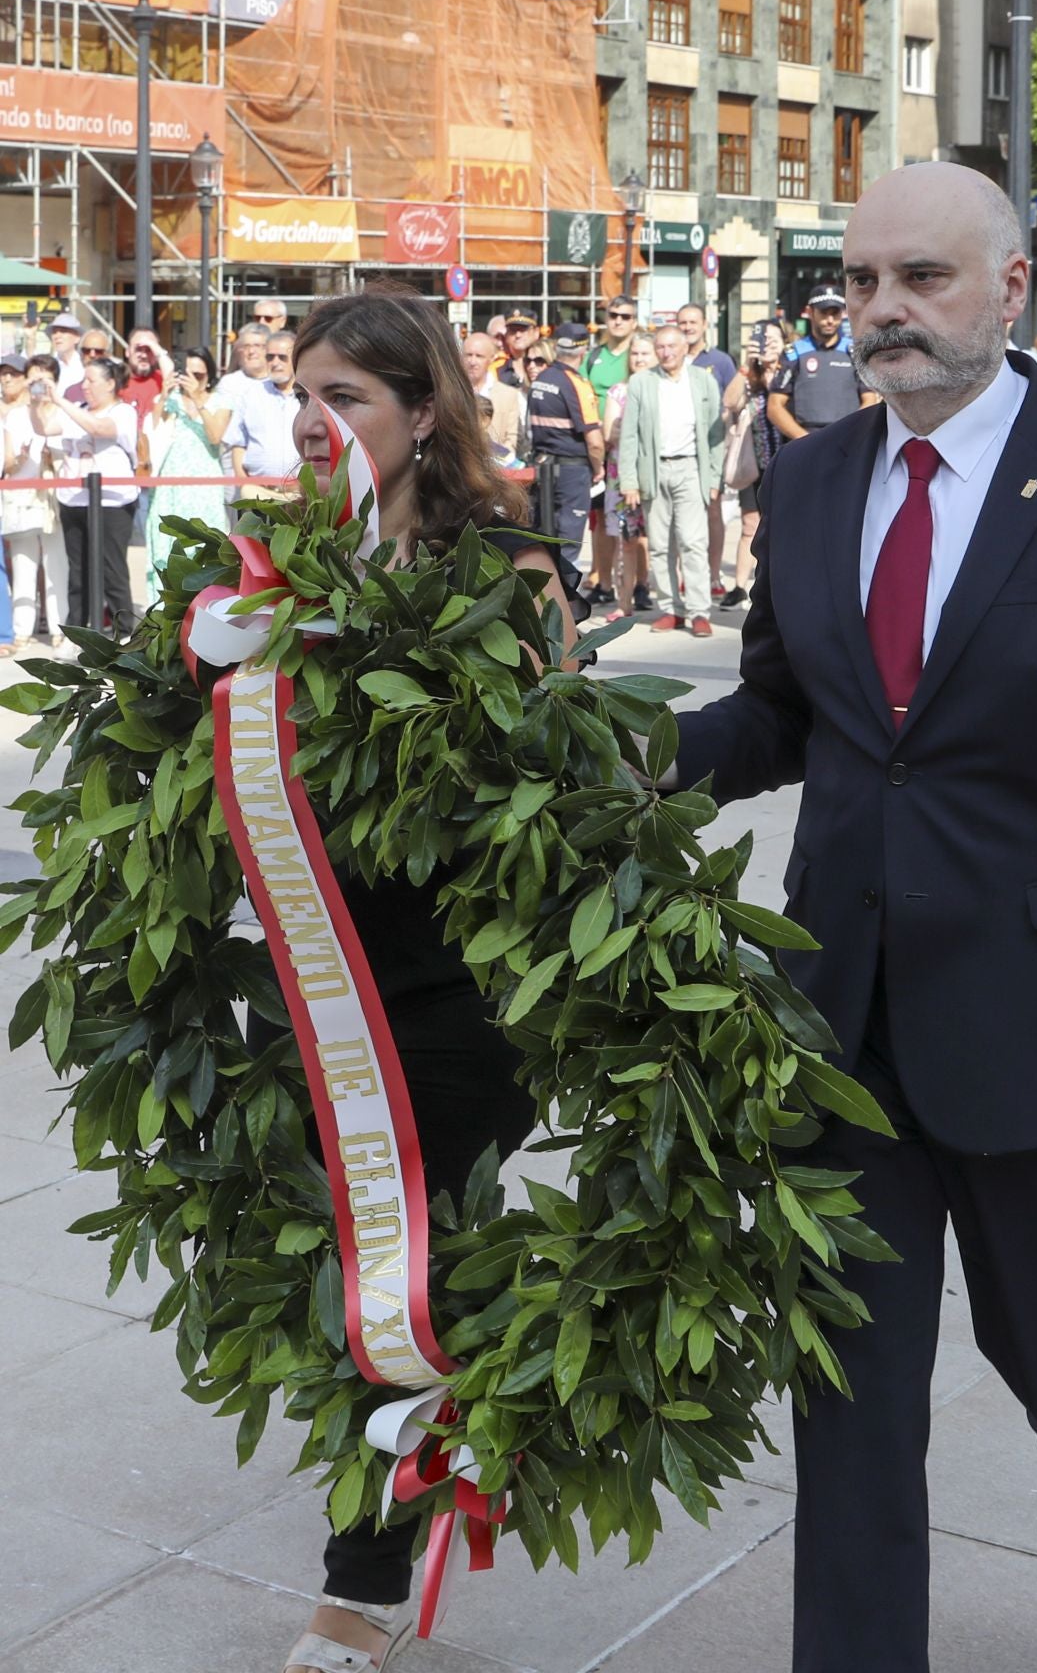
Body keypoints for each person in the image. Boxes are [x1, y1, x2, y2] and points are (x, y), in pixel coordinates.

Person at [670, 161, 1037, 1673]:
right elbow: (781, 713)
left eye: (922, 279)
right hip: (841, 1025)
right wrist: (630, 753)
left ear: (1010, 291)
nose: (884, 311)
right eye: (864, 282)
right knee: (851, 1396)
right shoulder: (807, 477)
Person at [250, 285, 578, 1673]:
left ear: (422, 410)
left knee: (396, 1259)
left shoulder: (510, 569)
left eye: (348, 399)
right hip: (323, 983)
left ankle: (360, 1585)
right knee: (355, 1259)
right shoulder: (270, 571)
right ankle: (440, 1447)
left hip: (457, 994)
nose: (316, 423)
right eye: (302, 394)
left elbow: (557, 787)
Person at [618, 323, 723, 637]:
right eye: (660, 347)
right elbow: (630, 435)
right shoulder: (641, 382)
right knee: (661, 546)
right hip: (654, 470)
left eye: (671, 346)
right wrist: (629, 480)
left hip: (691, 468)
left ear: (684, 348)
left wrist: (714, 477)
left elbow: (715, 433)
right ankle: (670, 608)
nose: (665, 353)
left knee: (693, 542)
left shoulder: (703, 382)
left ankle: (699, 611)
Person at [45, 355, 139, 637]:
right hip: (74, 500)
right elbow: (44, 428)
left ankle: (124, 632)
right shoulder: (78, 410)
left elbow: (99, 428)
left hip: (112, 502)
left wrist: (60, 401)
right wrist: (39, 402)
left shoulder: (124, 412)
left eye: (91, 380)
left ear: (110, 384)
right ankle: (77, 632)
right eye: (83, 379)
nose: (84, 386)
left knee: (112, 569)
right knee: (78, 572)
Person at [143, 345, 228, 597]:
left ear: (209, 375)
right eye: (187, 374)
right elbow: (153, 432)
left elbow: (215, 437)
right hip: (169, 484)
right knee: (165, 549)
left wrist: (197, 400)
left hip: (205, 486)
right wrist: (163, 394)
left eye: (199, 375)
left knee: (204, 546)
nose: (192, 381)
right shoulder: (171, 400)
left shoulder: (220, 401)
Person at [526, 322, 604, 576]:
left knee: (542, 540)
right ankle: (566, 607)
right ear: (582, 352)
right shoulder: (577, 383)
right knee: (568, 544)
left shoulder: (541, 380)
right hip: (572, 472)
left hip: (542, 468)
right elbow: (593, 440)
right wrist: (598, 468)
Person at [719, 320, 786, 610]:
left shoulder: (791, 370)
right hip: (757, 464)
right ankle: (739, 587)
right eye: (761, 340)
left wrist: (777, 362)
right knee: (750, 525)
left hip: (788, 460)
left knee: (786, 526)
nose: (765, 345)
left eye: (772, 339)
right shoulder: (751, 374)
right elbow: (730, 401)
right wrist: (748, 364)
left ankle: (779, 583)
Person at [2, 355, 65, 650]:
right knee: (23, 563)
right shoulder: (14, 416)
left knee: (56, 564)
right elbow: (9, 463)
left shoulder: (62, 412)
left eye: (45, 376)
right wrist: (20, 460)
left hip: (53, 497)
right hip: (21, 497)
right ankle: (21, 630)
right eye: (33, 376)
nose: (38, 382)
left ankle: (59, 627)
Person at [676, 303, 738, 602]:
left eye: (692, 322)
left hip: (711, 448)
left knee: (712, 511)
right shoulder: (670, 356)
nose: (687, 327)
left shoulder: (720, 361)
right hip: (677, 450)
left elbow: (730, 403)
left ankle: (713, 575)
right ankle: (683, 577)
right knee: (679, 517)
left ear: (704, 324)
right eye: (682, 322)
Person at [582, 297, 640, 607]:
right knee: (601, 521)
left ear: (634, 321)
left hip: (634, 452)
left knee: (637, 524)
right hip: (600, 452)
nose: (618, 320)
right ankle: (604, 581)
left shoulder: (640, 354)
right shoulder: (594, 357)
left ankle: (639, 584)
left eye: (625, 316)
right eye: (613, 314)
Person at [600, 327, 657, 622]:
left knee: (662, 538)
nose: (639, 358)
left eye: (645, 353)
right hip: (622, 475)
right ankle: (624, 602)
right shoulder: (618, 391)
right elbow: (611, 432)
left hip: (656, 473)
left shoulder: (661, 388)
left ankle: (664, 596)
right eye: (635, 353)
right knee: (627, 540)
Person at [767, 283, 864, 445]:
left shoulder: (855, 352)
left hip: (849, 442)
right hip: (806, 442)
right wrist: (807, 441)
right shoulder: (794, 353)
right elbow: (775, 406)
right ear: (810, 312)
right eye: (824, 313)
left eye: (835, 313)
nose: (830, 320)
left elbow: (870, 400)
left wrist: (850, 435)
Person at [225, 332, 300, 498]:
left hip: (299, 494)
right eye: (270, 357)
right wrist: (244, 482)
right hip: (258, 493)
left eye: (282, 357)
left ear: (296, 359)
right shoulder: (251, 394)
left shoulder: (310, 395)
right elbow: (238, 443)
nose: (275, 363)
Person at [462, 332, 520, 455]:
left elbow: (511, 439)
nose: (472, 362)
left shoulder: (508, 395)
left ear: (492, 359)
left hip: (497, 466)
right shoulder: (452, 392)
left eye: (479, 356)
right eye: (468, 355)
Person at [48, 311, 85, 397]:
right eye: (54, 332)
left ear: (77, 338)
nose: (57, 336)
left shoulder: (84, 365)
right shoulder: (49, 366)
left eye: (63, 331)